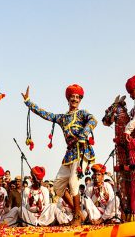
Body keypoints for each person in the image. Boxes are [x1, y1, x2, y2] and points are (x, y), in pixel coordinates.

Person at [22, 84, 97, 226]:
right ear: (68, 99)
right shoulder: (62, 118)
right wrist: (28, 102)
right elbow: (45, 114)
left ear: (80, 100)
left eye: (77, 97)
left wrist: (83, 134)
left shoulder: (82, 114)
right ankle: (79, 212)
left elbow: (93, 120)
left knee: (74, 183)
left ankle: (76, 216)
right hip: (70, 154)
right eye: (72, 97)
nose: (75, 99)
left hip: (82, 151)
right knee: (57, 186)